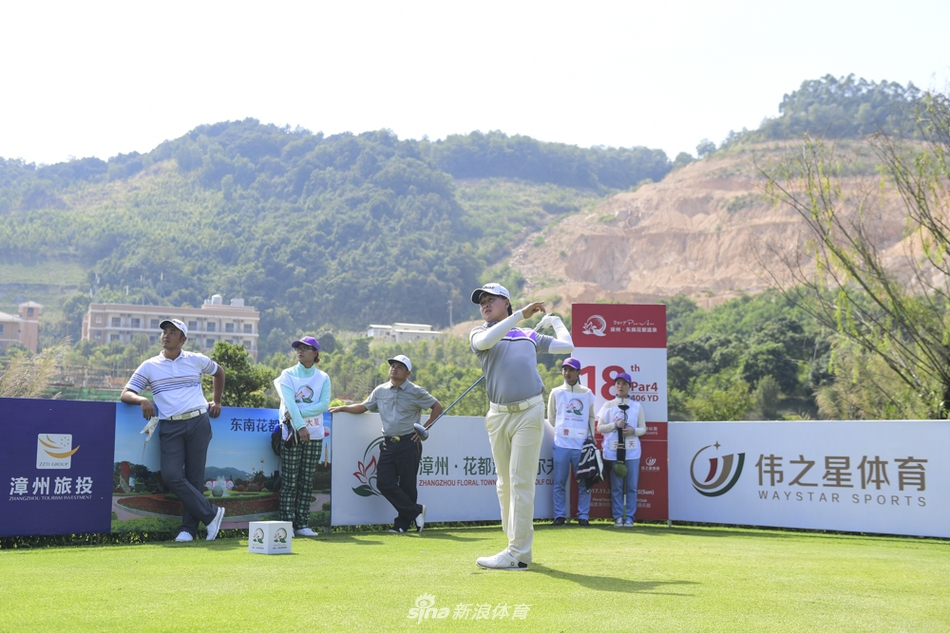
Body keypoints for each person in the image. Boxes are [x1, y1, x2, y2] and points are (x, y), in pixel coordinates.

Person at [469, 283, 573, 570]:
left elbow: (567, 346)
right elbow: (485, 343)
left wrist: (556, 322)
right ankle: (513, 544)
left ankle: (518, 552)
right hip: (498, 414)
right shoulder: (480, 332)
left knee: (520, 481)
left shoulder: (529, 335)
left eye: (492, 299)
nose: (485, 305)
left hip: (530, 410)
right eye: (482, 302)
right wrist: (518, 317)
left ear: (507, 302)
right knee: (504, 486)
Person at [120, 318, 227, 542]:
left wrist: (216, 401)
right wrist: (142, 399)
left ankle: (188, 529)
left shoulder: (196, 360)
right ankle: (211, 514)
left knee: (195, 478)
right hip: (170, 425)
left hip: (198, 421)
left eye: (172, 332)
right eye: (164, 332)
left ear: (183, 339)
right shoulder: (150, 365)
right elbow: (126, 392)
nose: (166, 335)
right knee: (171, 475)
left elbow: (219, 372)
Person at [329, 354, 442, 534]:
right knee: (384, 482)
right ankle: (416, 511)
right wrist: (342, 408)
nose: (394, 368)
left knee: (407, 485)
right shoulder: (380, 390)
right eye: (392, 365)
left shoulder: (416, 391)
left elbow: (437, 407)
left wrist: (423, 429)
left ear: (408, 373)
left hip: (408, 442)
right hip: (388, 443)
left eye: (399, 366)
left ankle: (401, 525)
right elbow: (363, 407)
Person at [274, 336, 331, 538]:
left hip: (314, 434)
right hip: (292, 433)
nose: (300, 351)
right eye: (298, 348)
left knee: (307, 481)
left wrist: (301, 414)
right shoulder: (287, 374)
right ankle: (287, 525)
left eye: (305, 348)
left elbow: (324, 405)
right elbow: (288, 402)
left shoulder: (323, 377)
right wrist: (300, 426)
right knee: (289, 481)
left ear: (315, 353)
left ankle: (302, 523)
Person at [546, 357, 595, 527]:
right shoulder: (556, 392)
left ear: (578, 372)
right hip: (561, 444)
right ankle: (559, 515)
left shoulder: (587, 393)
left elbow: (591, 417)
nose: (567, 373)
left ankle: (583, 516)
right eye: (565, 369)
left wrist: (590, 437)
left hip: (581, 445)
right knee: (559, 481)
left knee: (583, 482)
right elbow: (551, 417)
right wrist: (561, 431)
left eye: (571, 370)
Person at [595, 371, 646, 527]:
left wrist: (633, 431)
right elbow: (600, 428)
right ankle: (618, 517)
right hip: (612, 452)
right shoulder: (608, 405)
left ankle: (629, 517)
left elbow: (643, 428)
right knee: (616, 486)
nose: (621, 386)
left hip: (632, 452)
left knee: (631, 486)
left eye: (624, 384)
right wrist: (614, 426)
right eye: (618, 383)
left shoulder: (636, 406)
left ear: (630, 386)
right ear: (614, 386)